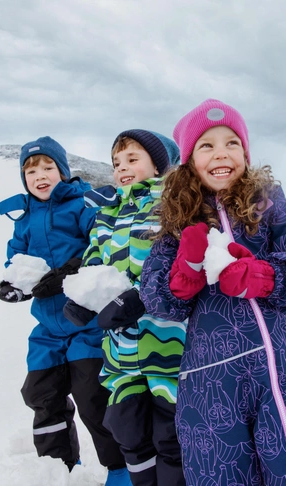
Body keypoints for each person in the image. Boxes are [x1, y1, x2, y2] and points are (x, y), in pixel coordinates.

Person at [139, 100, 286, 485]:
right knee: (219, 474)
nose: (221, 152)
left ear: (245, 153)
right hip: (211, 382)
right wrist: (186, 272)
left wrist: (265, 276)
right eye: (206, 146)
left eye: (231, 143)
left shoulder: (271, 207)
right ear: (189, 160)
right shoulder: (177, 225)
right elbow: (158, 300)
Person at [0, 136, 131, 485]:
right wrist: (12, 283)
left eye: (47, 167)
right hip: (46, 328)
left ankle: (119, 469)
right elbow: (17, 259)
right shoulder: (24, 218)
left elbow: (102, 243)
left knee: (92, 399)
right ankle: (59, 469)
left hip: (84, 322)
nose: (39, 175)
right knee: (41, 395)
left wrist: (69, 270)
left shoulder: (81, 204)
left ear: (63, 171)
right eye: (30, 170)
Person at [63, 130, 186, 485]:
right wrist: (82, 298)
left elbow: (180, 265)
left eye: (133, 159)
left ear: (159, 165)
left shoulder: (173, 204)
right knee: (127, 429)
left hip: (168, 349)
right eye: (117, 163)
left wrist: (141, 296)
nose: (122, 168)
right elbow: (94, 263)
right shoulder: (107, 213)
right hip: (121, 353)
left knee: (170, 435)